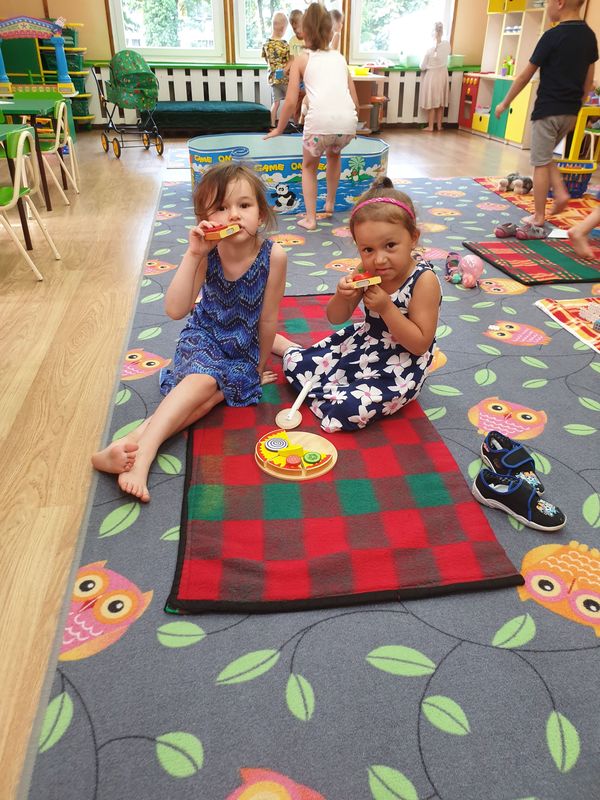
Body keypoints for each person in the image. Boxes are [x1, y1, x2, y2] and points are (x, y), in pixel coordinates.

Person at [91, 164, 287, 502]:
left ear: (261, 212)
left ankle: (128, 442)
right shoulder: (208, 254)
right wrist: (194, 253)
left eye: (244, 205)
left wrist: (258, 366)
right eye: (221, 208)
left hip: (242, 348)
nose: (233, 215)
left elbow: (268, 319)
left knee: (210, 397)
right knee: (205, 382)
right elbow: (175, 309)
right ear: (205, 218)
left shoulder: (274, 256)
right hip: (204, 337)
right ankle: (144, 455)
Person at [272, 177, 441, 433]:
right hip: (364, 347)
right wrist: (343, 295)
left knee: (349, 409)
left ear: (413, 238)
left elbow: (419, 345)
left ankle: (337, 393)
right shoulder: (367, 269)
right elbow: (336, 317)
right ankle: (290, 349)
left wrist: (387, 309)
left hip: (402, 365)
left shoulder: (423, 280)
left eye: (390, 246)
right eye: (368, 249)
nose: (379, 259)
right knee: (299, 367)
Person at [494, 0, 598, 240]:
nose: (546, 6)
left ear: (560, 3)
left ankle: (539, 216)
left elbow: (524, 76)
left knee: (539, 163)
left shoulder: (551, 36)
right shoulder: (589, 36)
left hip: (547, 110)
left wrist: (504, 103)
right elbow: (589, 80)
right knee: (545, 154)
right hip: (570, 112)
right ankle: (561, 191)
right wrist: (578, 105)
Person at [264, 2, 359, 231]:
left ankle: (310, 218)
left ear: (303, 31)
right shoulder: (339, 58)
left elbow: (290, 102)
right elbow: (354, 99)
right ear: (330, 31)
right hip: (346, 124)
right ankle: (329, 204)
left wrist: (278, 128)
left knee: (309, 167)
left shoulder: (301, 59)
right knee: (334, 156)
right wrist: (350, 123)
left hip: (319, 125)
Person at [261, 11, 291, 129]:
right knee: (289, 101)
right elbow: (289, 60)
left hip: (273, 78)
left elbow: (266, 59)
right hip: (284, 77)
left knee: (276, 102)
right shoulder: (284, 44)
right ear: (283, 28)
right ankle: (286, 123)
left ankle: (272, 124)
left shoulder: (266, 44)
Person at [420, 21, 451, 132]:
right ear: (442, 32)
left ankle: (430, 126)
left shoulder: (429, 48)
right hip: (443, 75)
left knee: (432, 102)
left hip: (432, 76)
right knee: (441, 102)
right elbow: (447, 55)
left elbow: (422, 66)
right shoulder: (447, 45)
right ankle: (439, 126)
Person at [287, 9, 306, 126]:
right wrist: (285, 70)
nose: (297, 30)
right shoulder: (292, 41)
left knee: (305, 98)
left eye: (299, 27)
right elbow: (291, 60)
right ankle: (296, 123)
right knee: (295, 100)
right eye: (294, 28)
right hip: (297, 76)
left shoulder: (308, 39)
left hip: (307, 75)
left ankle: (303, 122)